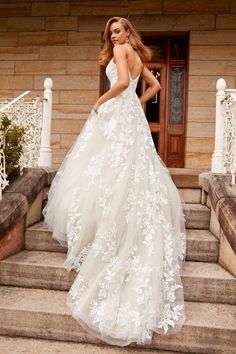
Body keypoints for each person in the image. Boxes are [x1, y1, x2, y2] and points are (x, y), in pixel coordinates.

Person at [42, 16, 186, 347]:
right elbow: (155, 86)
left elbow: (121, 83)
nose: (114, 36)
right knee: (126, 170)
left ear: (127, 32)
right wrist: (137, 105)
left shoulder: (122, 51)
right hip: (131, 118)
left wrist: (101, 101)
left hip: (119, 114)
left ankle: (106, 227)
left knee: (110, 169)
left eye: (118, 31)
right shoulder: (137, 53)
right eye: (110, 33)